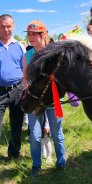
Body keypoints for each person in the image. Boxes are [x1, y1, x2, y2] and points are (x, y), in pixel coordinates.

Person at [22, 20, 66, 176]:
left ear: (44, 35)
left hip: (52, 99)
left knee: (56, 133)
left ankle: (61, 162)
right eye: (29, 34)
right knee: (34, 135)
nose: (31, 37)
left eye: (35, 34)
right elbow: (25, 77)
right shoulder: (28, 54)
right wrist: (26, 84)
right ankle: (36, 165)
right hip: (34, 100)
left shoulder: (54, 53)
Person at [0, 14, 25, 159]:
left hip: (17, 90)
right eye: (2, 26)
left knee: (17, 124)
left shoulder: (20, 46)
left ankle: (14, 154)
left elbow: (24, 69)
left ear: (13, 26)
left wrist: (23, 86)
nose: (6, 29)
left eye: (8, 26)